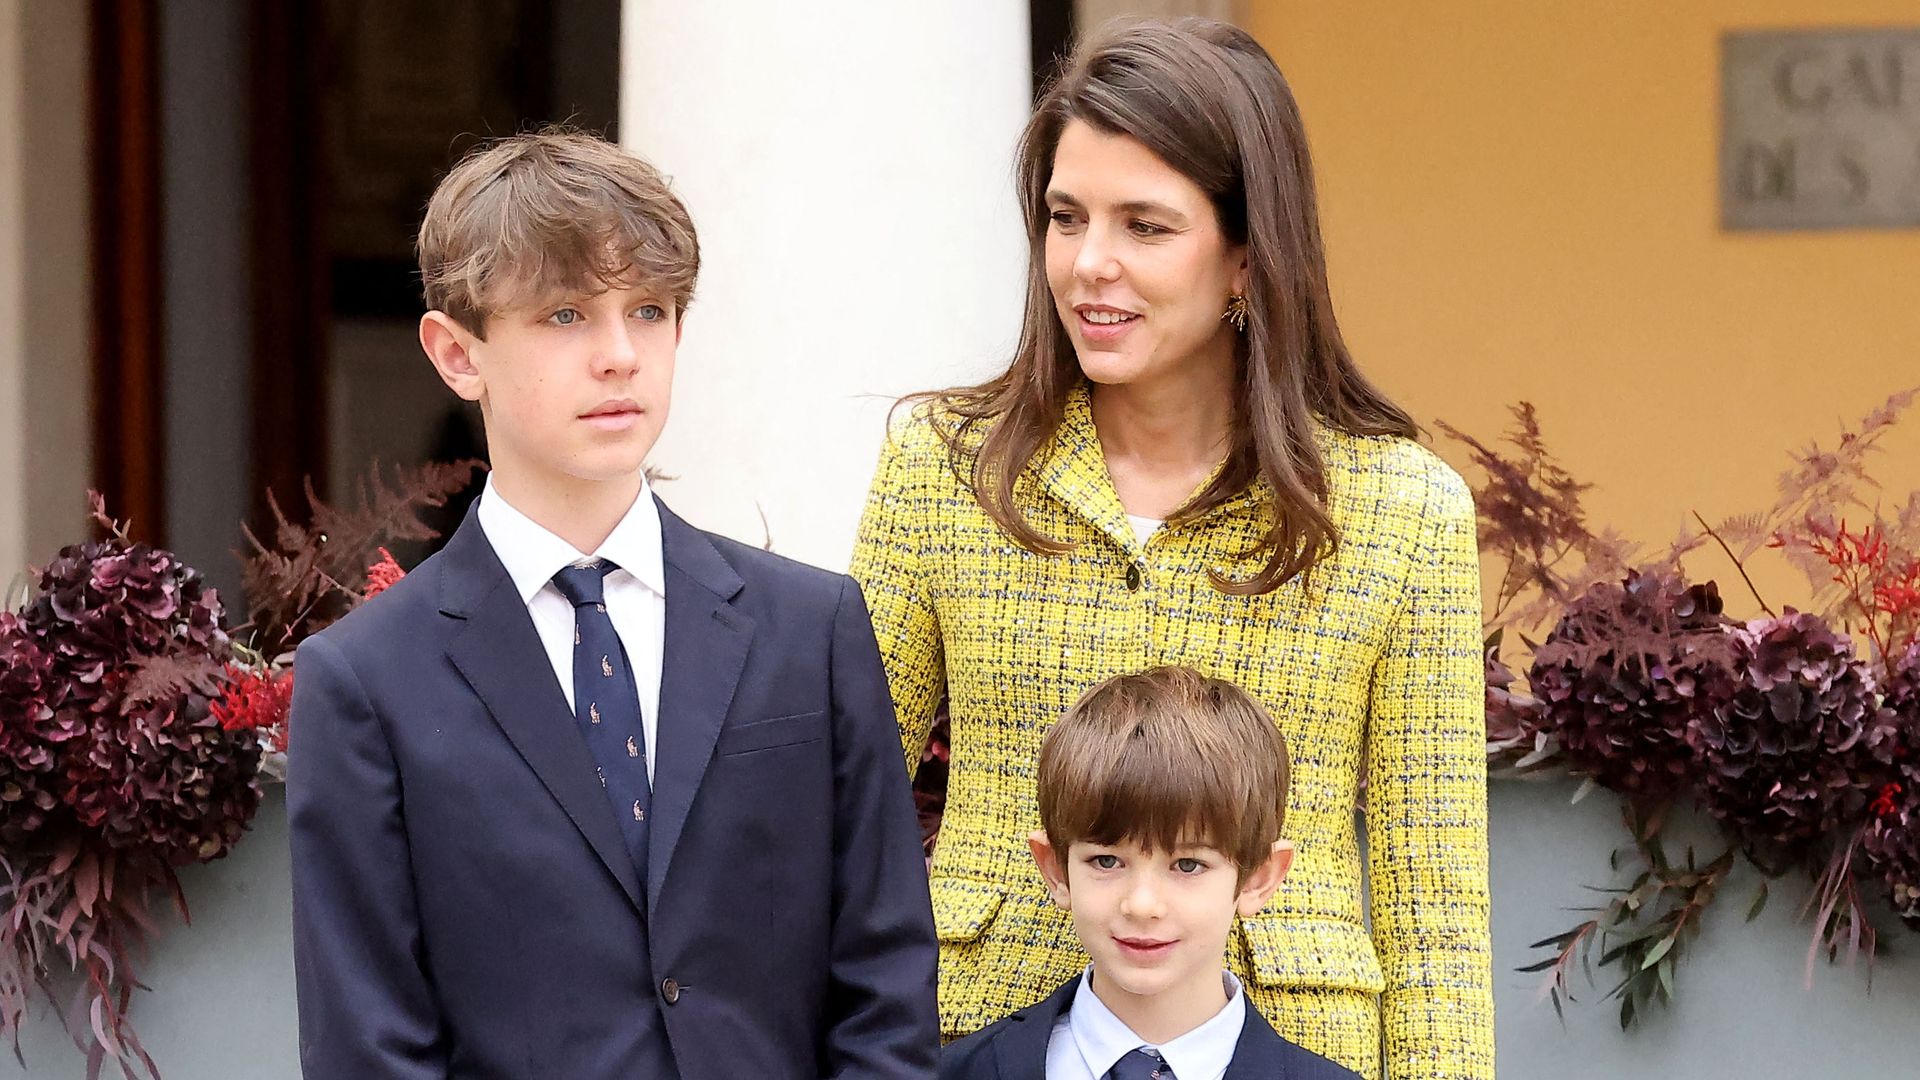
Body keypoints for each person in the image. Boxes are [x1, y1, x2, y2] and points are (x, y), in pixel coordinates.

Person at [849, 18, 1491, 1078]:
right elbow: (844, 811)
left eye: (1145, 227)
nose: (1089, 264)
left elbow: (1437, 915)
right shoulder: (942, 468)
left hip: (1294, 1045)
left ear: (1246, 254)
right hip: (974, 1035)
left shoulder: (1401, 511)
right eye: (1066, 217)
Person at [288, 128, 937, 1080]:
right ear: (456, 354)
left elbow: (883, 990)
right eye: (565, 316)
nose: (622, 355)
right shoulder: (367, 680)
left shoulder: (813, 630)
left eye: (650, 310)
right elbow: (368, 1043)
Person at [938, 667, 1361, 1080]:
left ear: (1258, 879)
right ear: (1056, 869)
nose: (1142, 904)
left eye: (1188, 865)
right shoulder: (952, 1071)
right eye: (1107, 861)